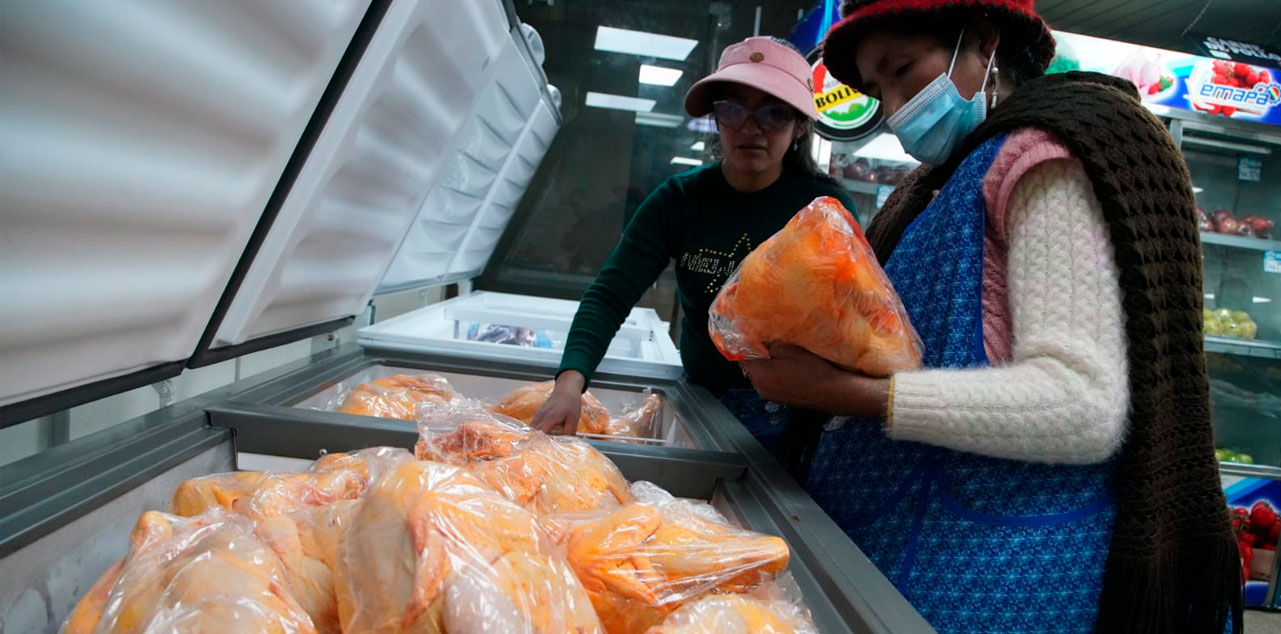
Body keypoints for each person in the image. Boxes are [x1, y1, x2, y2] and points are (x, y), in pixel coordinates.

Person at [732, 1, 1243, 633]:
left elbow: (1081, 403)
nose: (892, 108)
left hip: (1009, 580)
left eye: (901, 69)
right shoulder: (936, 184)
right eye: (876, 88)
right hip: (898, 566)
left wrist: (844, 393)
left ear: (982, 41)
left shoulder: (1045, 158)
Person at [532, 36, 856, 459]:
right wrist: (569, 384)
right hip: (702, 404)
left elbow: (854, 324)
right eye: (734, 108)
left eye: (773, 112)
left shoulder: (825, 211)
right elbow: (610, 294)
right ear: (716, 119)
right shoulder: (680, 200)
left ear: (799, 126)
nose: (751, 127)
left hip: (798, 417)